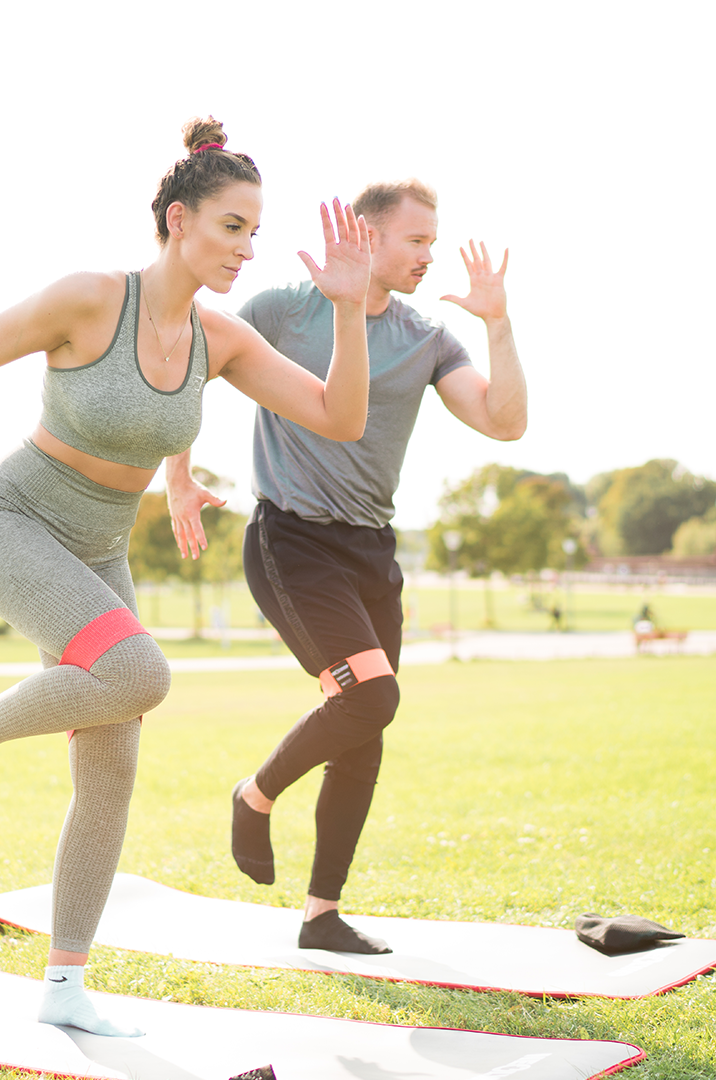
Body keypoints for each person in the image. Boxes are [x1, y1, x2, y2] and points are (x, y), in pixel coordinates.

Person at [0, 117, 372, 1035]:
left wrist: (348, 307)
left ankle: (65, 988)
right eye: (233, 226)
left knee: (111, 770)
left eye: (256, 231)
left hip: (97, 551)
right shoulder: (88, 299)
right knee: (140, 674)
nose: (247, 247)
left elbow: (337, 416)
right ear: (179, 220)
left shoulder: (216, 342)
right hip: (10, 520)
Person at [166, 179, 526, 953]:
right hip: (291, 540)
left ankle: (321, 915)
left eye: (434, 241)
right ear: (367, 236)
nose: (430, 256)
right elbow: (187, 363)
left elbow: (504, 422)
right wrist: (178, 476)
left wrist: (498, 324)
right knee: (372, 697)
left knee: (366, 728)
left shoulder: (427, 337)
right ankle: (254, 795)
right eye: (417, 241)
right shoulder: (285, 309)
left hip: (371, 550)